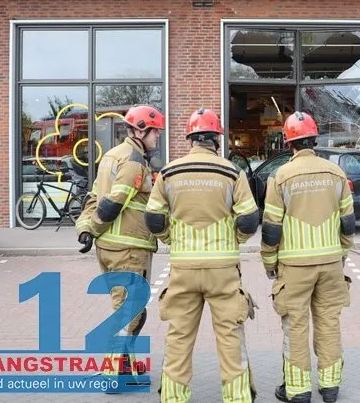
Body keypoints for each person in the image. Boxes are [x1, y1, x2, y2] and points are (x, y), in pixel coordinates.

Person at [144, 107, 259, 403]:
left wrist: (172, 238)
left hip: (183, 268)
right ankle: (237, 397)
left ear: (191, 139)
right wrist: (232, 239)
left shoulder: (169, 172)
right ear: (216, 140)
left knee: (179, 336)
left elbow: (154, 218)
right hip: (223, 269)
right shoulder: (231, 172)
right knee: (230, 337)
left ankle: (173, 397)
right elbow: (248, 219)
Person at [260, 111, 355, 403]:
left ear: (289, 144)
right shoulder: (336, 172)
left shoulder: (281, 177)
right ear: (314, 140)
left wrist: (269, 263)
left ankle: (298, 391)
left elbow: (271, 229)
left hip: (294, 268)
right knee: (329, 322)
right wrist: (341, 256)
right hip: (330, 265)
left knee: (295, 326)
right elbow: (348, 222)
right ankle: (330, 387)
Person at [75, 104, 165, 386]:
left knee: (126, 306)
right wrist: (96, 225)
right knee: (129, 310)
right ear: (140, 130)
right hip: (128, 248)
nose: (157, 138)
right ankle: (115, 372)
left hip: (110, 247)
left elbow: (93, 196)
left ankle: (124, 365)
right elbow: (114, 202)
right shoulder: (134, 161)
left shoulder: (112, 156)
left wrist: (86, 227)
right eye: (155, 133)